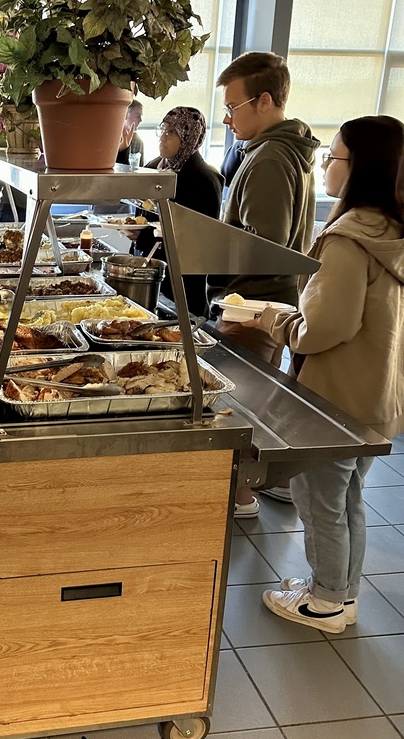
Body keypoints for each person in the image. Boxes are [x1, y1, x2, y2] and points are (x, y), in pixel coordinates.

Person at [249, 115, 404, 633]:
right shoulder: (394, 232)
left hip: (335, 400)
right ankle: (344, 593)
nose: (325, 166)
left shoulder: (349, 238)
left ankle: (324, 602)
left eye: (332, 157)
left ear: (359, 168)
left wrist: (270, 317)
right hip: (378, 397)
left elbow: (324, 328)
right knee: (349, 496)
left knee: (318, 500)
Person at [207, 51, 320, 517]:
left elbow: (265, 243)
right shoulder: (277, 150)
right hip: (263, 301)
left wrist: (205, 239)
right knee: (249, 402)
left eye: (233, 107)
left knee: (237, 407)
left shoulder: (272, 156)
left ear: (265, 100)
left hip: (253, 304)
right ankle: (245, 489)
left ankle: (238, 496)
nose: (228, 119)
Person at [131, 107, 223, 317]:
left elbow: (201, 238)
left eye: (172, 132)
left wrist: (145, 236)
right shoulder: (153, 167)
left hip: (183, 285)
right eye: (162, 129)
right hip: (149, 274)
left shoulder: (205, 179)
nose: (163, 138)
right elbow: (140, 212)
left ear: (189, 137)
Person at [116, 100, 145, 166]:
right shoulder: (112, 136)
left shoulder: (138, 141)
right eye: (137, 116)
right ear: (125, 115)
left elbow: (140, 169)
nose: (140, 120)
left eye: (141, 116)